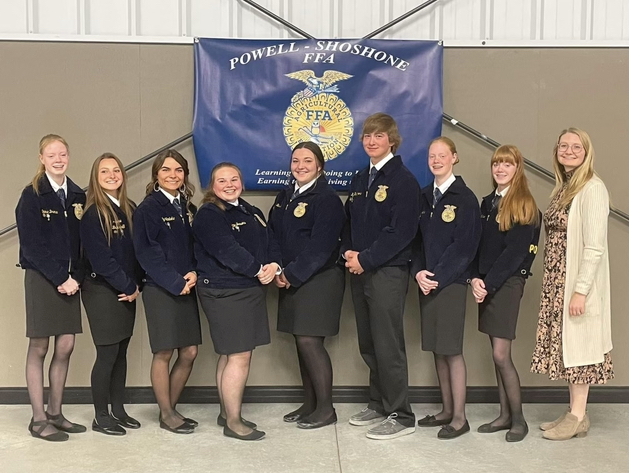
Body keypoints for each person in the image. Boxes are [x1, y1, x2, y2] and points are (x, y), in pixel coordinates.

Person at [531, 128, 613, 440]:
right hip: (557, 282)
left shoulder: (592, 188)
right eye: (563, 145)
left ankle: (578, 415)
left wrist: (580, 291)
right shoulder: (565, 187)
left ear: (586, 151)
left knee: (580, 351)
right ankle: (574, 413)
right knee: (568, 350)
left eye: (575, 146)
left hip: (576, 285)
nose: (568, 150)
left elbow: (594, 247)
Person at [341, 113, 419, 440]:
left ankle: (401, 414)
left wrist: (367, 259)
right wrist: (348, 253)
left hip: (386, 271)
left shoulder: (403, 181)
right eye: (367, 136)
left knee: (388, 344)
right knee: (369, 342)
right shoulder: (361, 179)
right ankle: (378, 403)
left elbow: (400, 232)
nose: (371, 141)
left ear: (392, 140)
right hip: (359, 270)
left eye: (378, 136)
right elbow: (349, 222)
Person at [193, 162, 280, 441]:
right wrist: (258, 269)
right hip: (224, 291)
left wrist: (273, 265)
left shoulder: (251, 211)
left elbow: (269, 243)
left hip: (247, 290)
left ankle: (226, 412)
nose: (229, 184)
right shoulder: (209, 213)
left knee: (231, 353)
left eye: (234, 179)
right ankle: (233, 421)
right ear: (212, 186)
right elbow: (226, 250)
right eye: (222, 181)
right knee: (239, 355)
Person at [268, 142, 345, 429]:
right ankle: (310, 404)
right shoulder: (285, 196)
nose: (300, 166)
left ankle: (326, 409)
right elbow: (272, 236)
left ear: (320, 166)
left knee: (310, 341)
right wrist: (277, 267)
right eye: (296, 160)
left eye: (308, 161)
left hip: (319, 279)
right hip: (291, 277)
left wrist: (291, 274)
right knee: (300, 342)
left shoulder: (327, 199)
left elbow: (321, 246)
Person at [16, 134, 87, 441]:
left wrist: (77, 277)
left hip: (72, 280)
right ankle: (38, 418)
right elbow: (32, 247)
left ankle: (56, 413)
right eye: (52, 155)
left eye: (63, 154)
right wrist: (61, 278)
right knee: (40, 346)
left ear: (68, 157)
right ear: (42, 159)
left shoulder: (77, 195)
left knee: (66, 345)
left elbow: (84, 244)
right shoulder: (32, 195)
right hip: (43, 278)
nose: (59, 160)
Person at [470, 145, 541, 442]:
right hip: (485, 283)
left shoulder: (524, 204)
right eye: (496, 164)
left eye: (507, 164)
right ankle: (503, 415)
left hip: (507, 284)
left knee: (502, 355)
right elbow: (476, 245)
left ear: (517, 168)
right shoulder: (487, 203)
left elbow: (514, 254)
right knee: (495, 354)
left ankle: (519, 420)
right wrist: (474, 278)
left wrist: (489, 284)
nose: (500, 169)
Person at [412, 136, 481, 440]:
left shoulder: (465, 198)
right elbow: (415, 243)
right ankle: (446, 409)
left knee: (451, 350)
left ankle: (460, 418)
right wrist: (418, 274)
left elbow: (464, 248)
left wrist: (436, 277)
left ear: (454, 158)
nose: (436, 160)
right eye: (432, 156)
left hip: (450, 283)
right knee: (437, 350)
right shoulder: (425, 196)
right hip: (426, 283)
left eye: (442, 155)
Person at [133, 149, 202, 434]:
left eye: (178, 170)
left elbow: (195, 247)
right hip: (161, 288)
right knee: (163, 351)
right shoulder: (148, 209)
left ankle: (171, 409)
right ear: (156, 175)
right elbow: (146, 254)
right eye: (166, 170)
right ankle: (166, 413)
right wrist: (176, 283)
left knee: (189, 351)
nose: (173, 175)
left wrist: (194, 273)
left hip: (187, 286)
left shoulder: (187, 206)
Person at [81, 153, 144, 435]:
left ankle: (118, 410)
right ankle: (101, 416)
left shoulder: (129, 207)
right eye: (104, 171)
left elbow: (138, 253)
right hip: (102, 290)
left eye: (116, 170)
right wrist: (128, 286)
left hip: (128, 290)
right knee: (106, 353)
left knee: (121, 353)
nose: (111, 175)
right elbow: (101, 260)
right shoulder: (93, 213)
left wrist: (137, 284)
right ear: (96, 177)